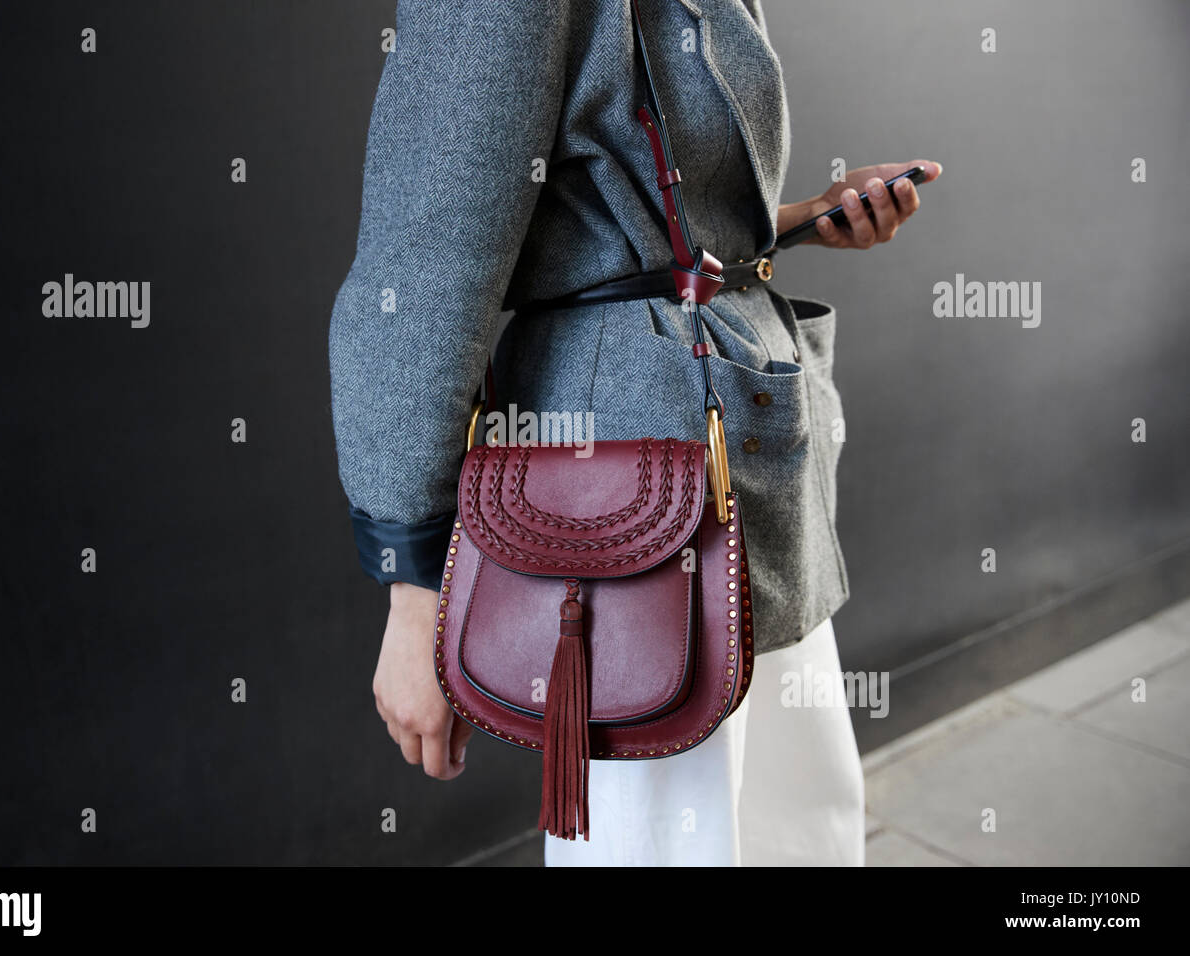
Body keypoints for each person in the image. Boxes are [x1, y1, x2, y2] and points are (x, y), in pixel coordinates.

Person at [329, 0, 942, 866]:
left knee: (795, 829)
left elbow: (649, 214)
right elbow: (425, 258)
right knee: (664, 837)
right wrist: (412, 581)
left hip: (750, 469)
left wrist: (789, 218)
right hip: (624, 501)